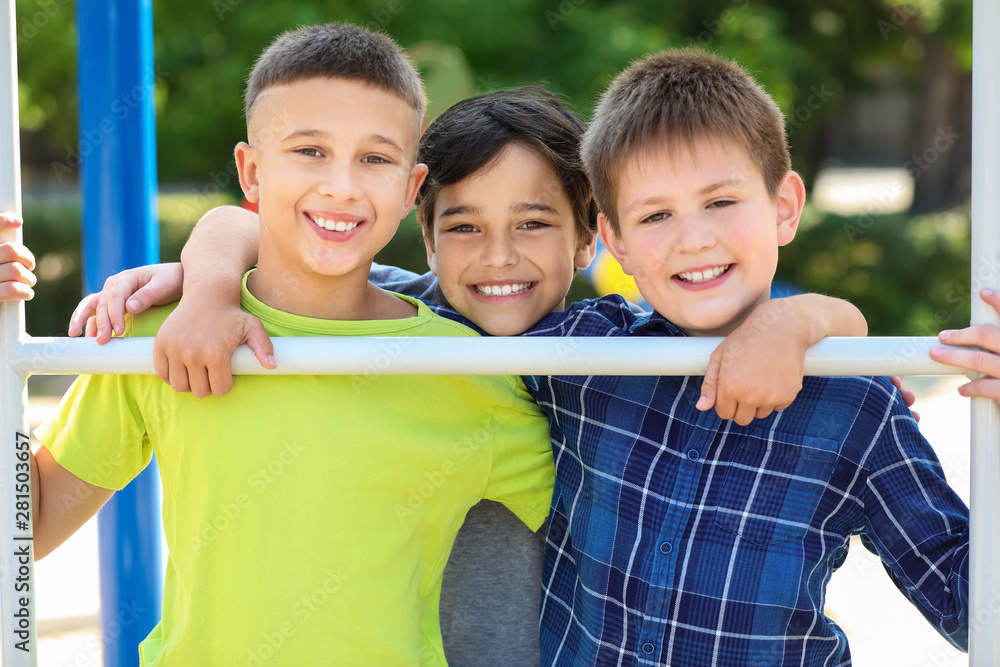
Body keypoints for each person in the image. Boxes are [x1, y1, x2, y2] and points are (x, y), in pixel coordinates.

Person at [27, 23, 559, 666]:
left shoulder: (468, 370)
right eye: (310, 150)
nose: (342, 185)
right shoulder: (160, 336)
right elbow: (35, 522)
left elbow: (604, 514)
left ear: (410, 190)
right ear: (250, 171)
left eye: (376, 158)